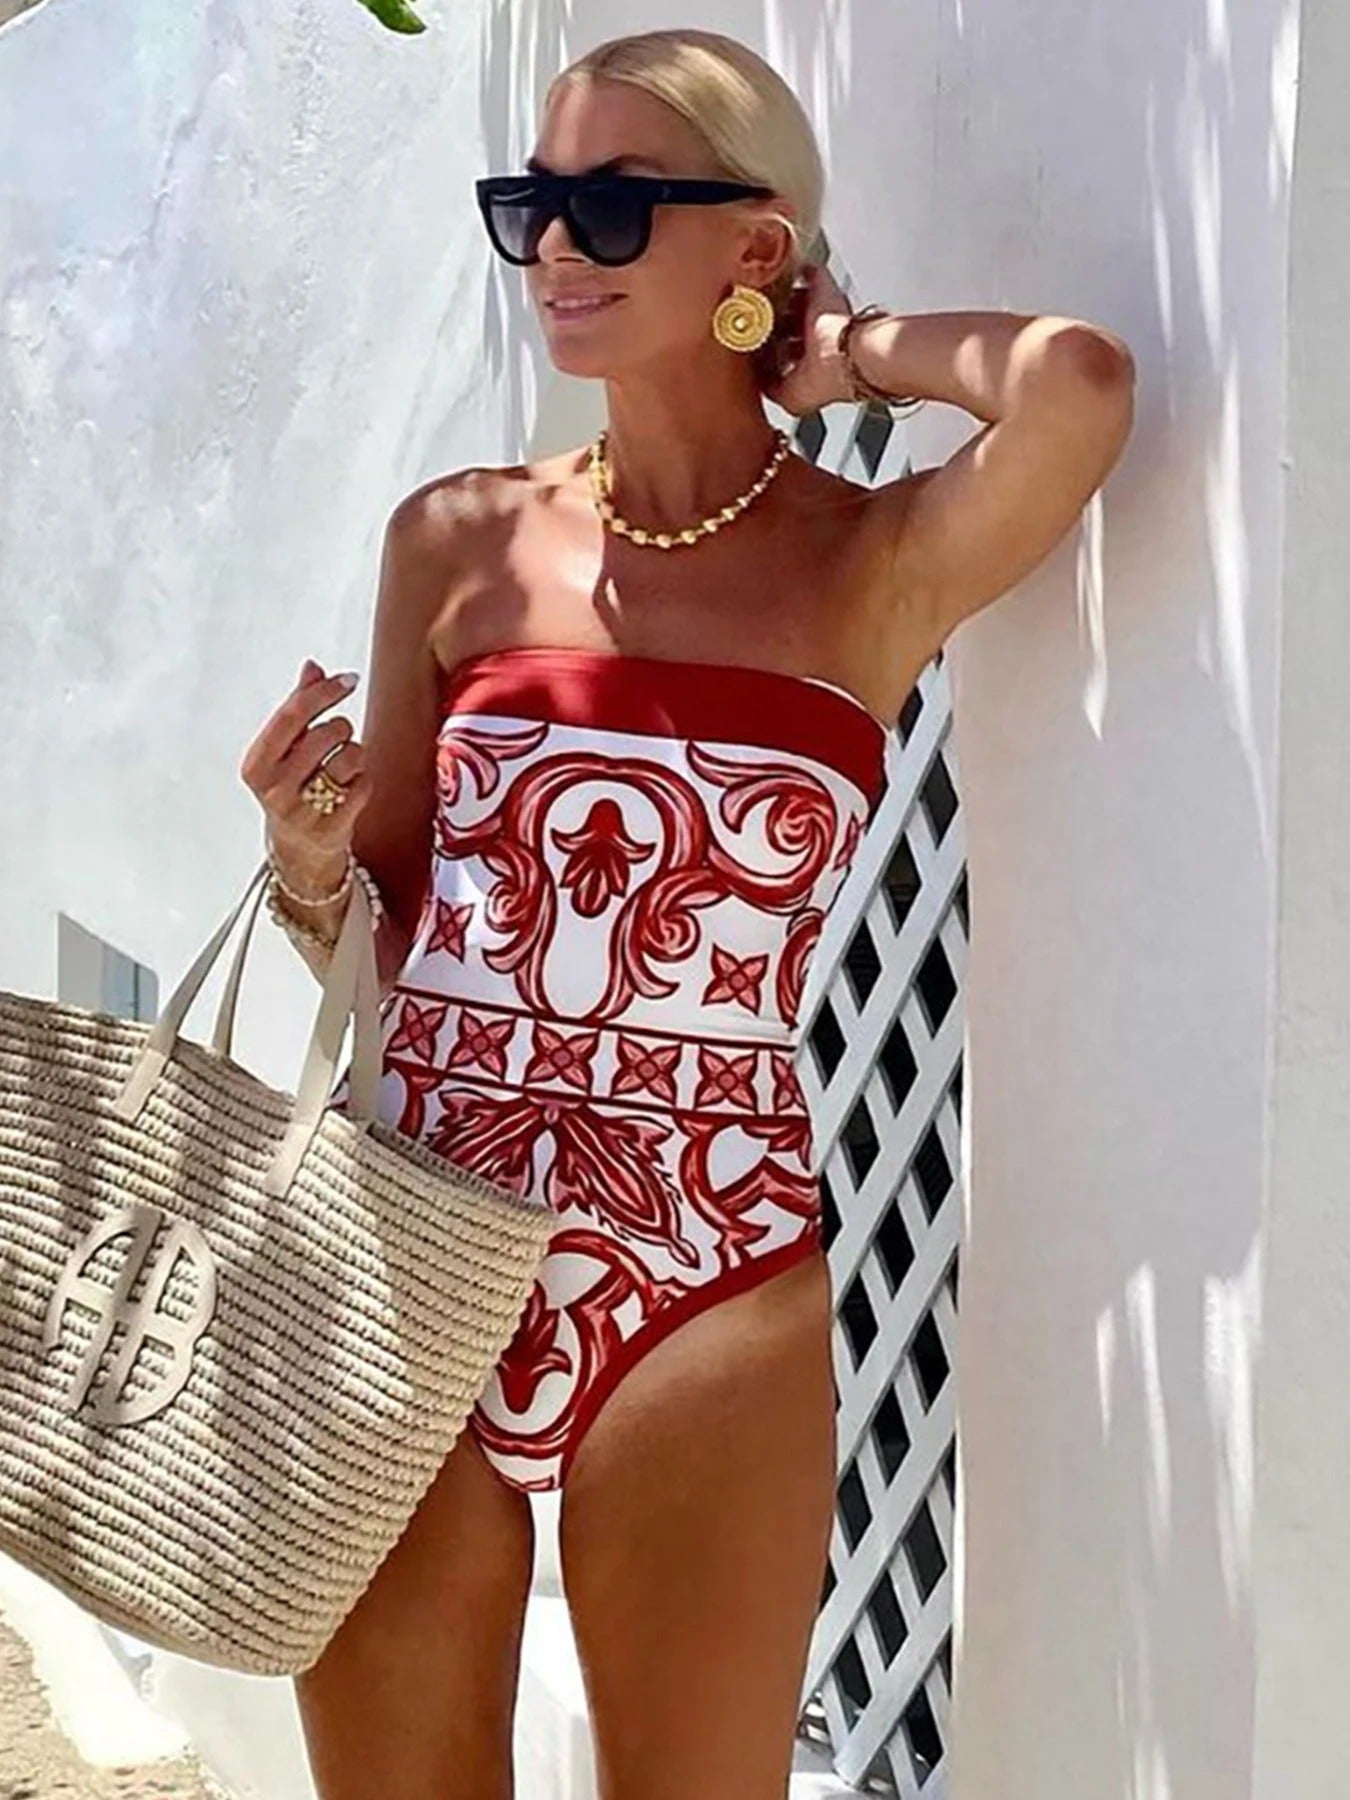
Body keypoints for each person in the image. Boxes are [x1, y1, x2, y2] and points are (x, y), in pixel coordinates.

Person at [238, 25, 1135, 1800]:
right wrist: (305, 854)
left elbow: (1077, 386)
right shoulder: (458, 538)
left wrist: (844, 351)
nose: (556, 248)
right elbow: (389, 907)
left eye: (614, 203)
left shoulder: (864, 561)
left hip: (708, 1266)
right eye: (530, 205)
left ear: (754, 242)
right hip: (410, 1237)